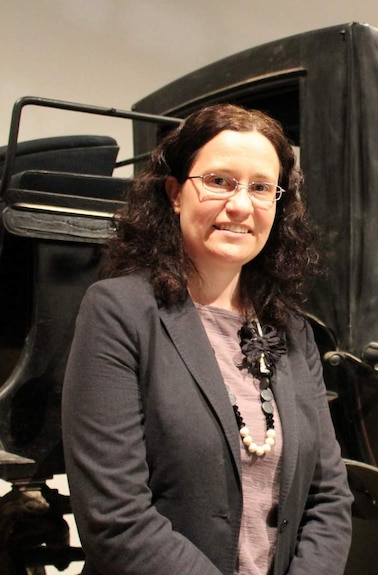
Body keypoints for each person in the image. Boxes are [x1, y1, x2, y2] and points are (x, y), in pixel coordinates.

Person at [62, 103, 353, 575]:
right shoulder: (119, 311)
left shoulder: (292, 329)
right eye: (219, 181)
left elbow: (329, 497)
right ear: (175, 193)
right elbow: (116, 517)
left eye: (261, 188)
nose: (241, 205)